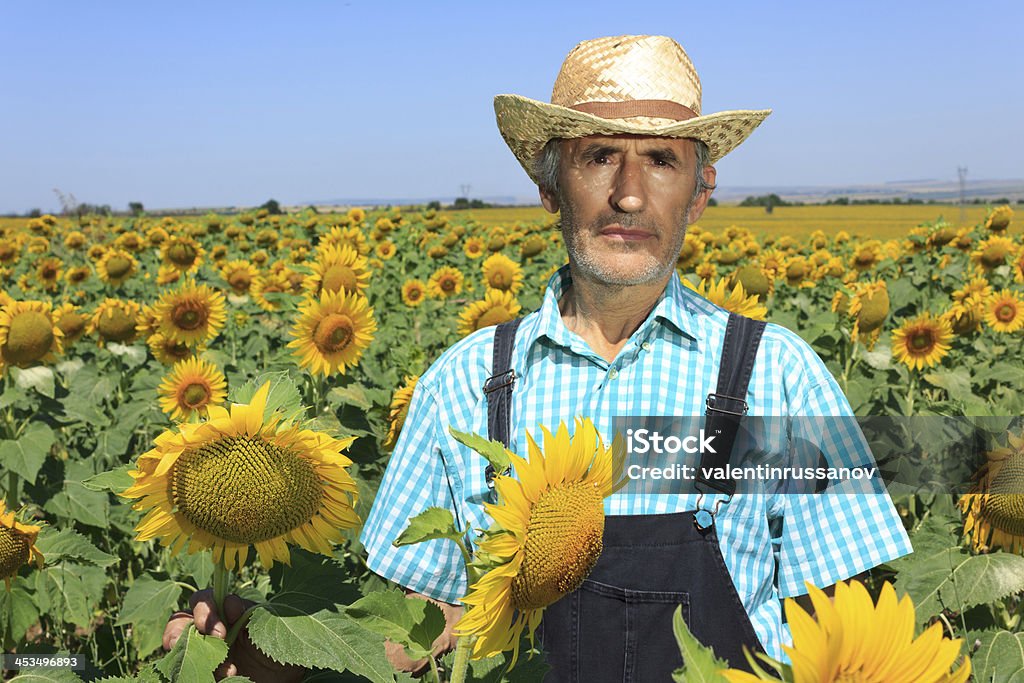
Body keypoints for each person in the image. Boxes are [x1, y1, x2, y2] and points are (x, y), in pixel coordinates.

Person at [165, 34, 912, 681]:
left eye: (660, 160)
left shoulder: (779, 378)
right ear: (550, 188)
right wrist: (261, 636)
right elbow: (409, 633)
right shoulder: (462, 387)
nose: (627, 194)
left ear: (700, 192)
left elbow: (846, 624)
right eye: (597, 158)